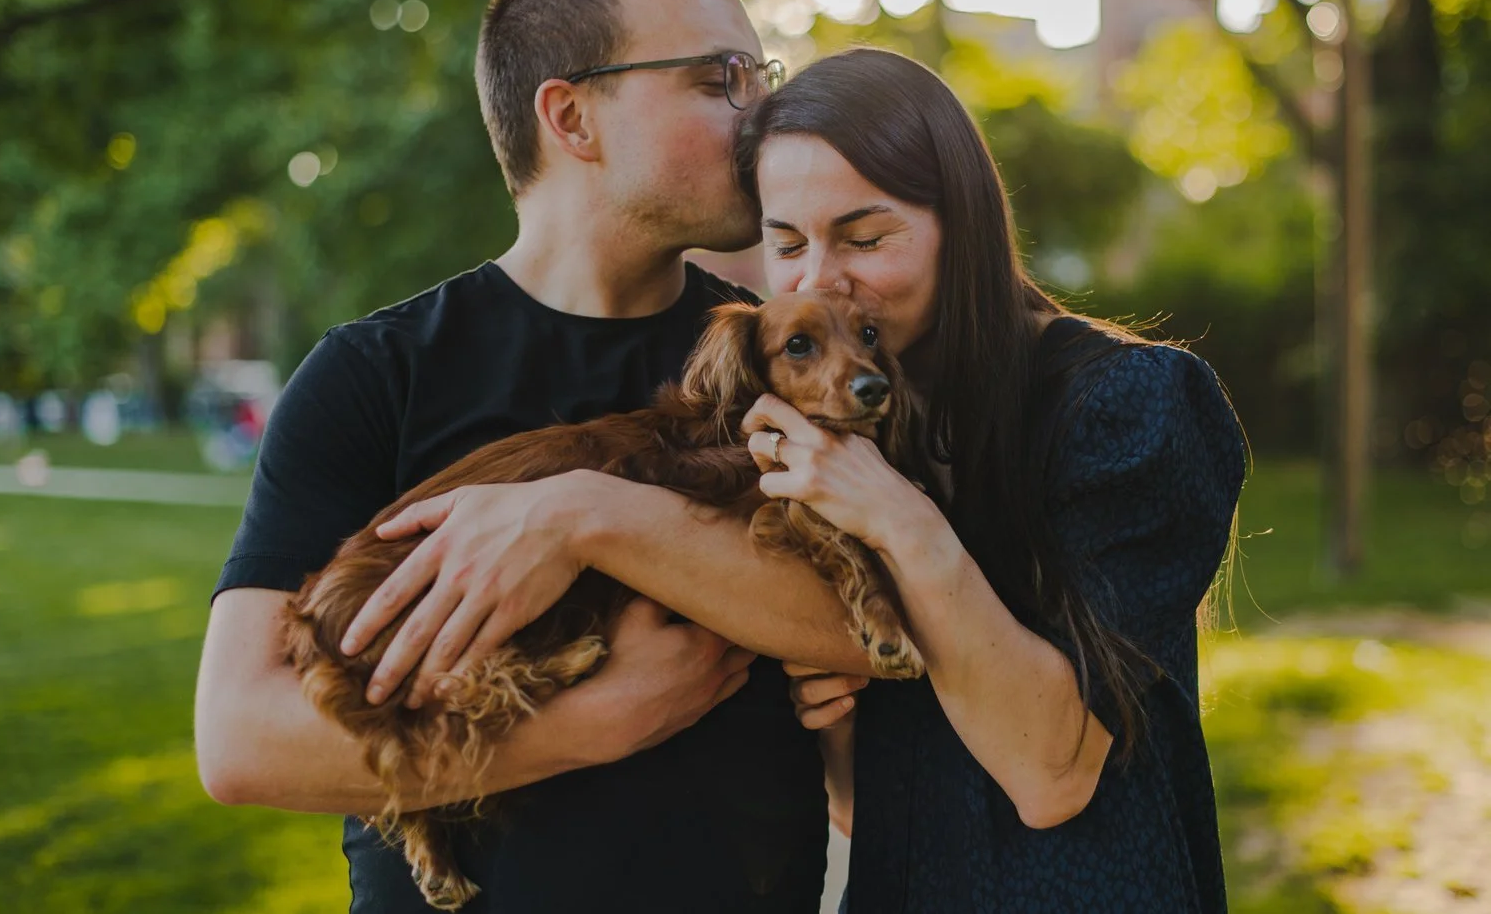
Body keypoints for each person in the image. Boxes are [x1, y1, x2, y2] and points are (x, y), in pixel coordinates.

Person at [353, 48, 1245, 913]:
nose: (822, 278)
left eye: (865, 235)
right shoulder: (865, 424)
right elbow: (876, 802)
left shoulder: (1129, 404)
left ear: (965, 223)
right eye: (786, 243)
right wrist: (843, 727)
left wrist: (898, 519)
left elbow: (1052, 772)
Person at [195, 0, 859, 913]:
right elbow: (241, 739)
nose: (761, 117)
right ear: (571, 116)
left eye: (762, 77)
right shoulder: (374, 375)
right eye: (720, 79)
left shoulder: (779, 354)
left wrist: (585, 516)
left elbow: (863, 624)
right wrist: (591, 724)